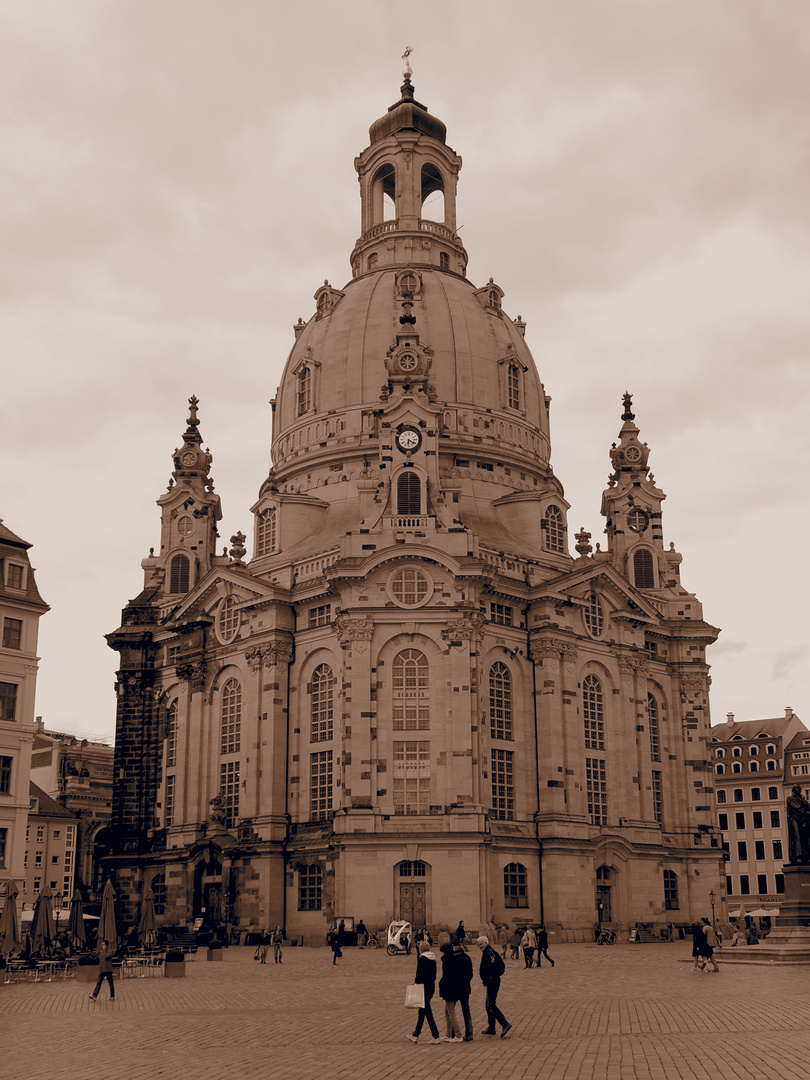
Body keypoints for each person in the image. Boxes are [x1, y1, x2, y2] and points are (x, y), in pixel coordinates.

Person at [438, 936, 474, 1042]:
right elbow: (470, 974)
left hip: (453, 989)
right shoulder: (467, 957)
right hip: (464, 988)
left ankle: (457, 1035)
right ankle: (464, 1033)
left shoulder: (451, 959)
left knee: (451, 1011)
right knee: (463, 1010)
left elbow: (449, 976)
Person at [476, 935, 512, 1038]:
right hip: (491, 981)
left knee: (491, 1004)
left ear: (486, 942)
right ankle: (491, 1027)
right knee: (488, 1005)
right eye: (478, 945)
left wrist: (491, 976)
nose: (479, 946)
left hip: (493, 981)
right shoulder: (487, 951)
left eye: (481, 944)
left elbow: (497, 967)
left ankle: (504, 1023)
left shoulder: (490, 953)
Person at [407, 941, 441, 1044]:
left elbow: (419, 974)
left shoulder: (422, 959)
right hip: (431, 987)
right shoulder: (433, 958)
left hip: (423, 988)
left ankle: (436, 1036)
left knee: (427, 1012)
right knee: (422, 1011)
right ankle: (415, 1034)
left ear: (421, 949)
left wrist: (416, 983)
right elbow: (434, 975)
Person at [787, 784, 810, 864]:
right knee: (797, 837)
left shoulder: (802, 799)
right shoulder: (790, 799)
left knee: (805, 838)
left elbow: (808, 806)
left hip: (804, 821)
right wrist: (807, 812)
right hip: (795, 820)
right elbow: (798, 808)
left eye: (799, 788)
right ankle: (798, 856)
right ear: (793, 789)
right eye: (797, 787)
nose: (799, 789)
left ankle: (806, 856)